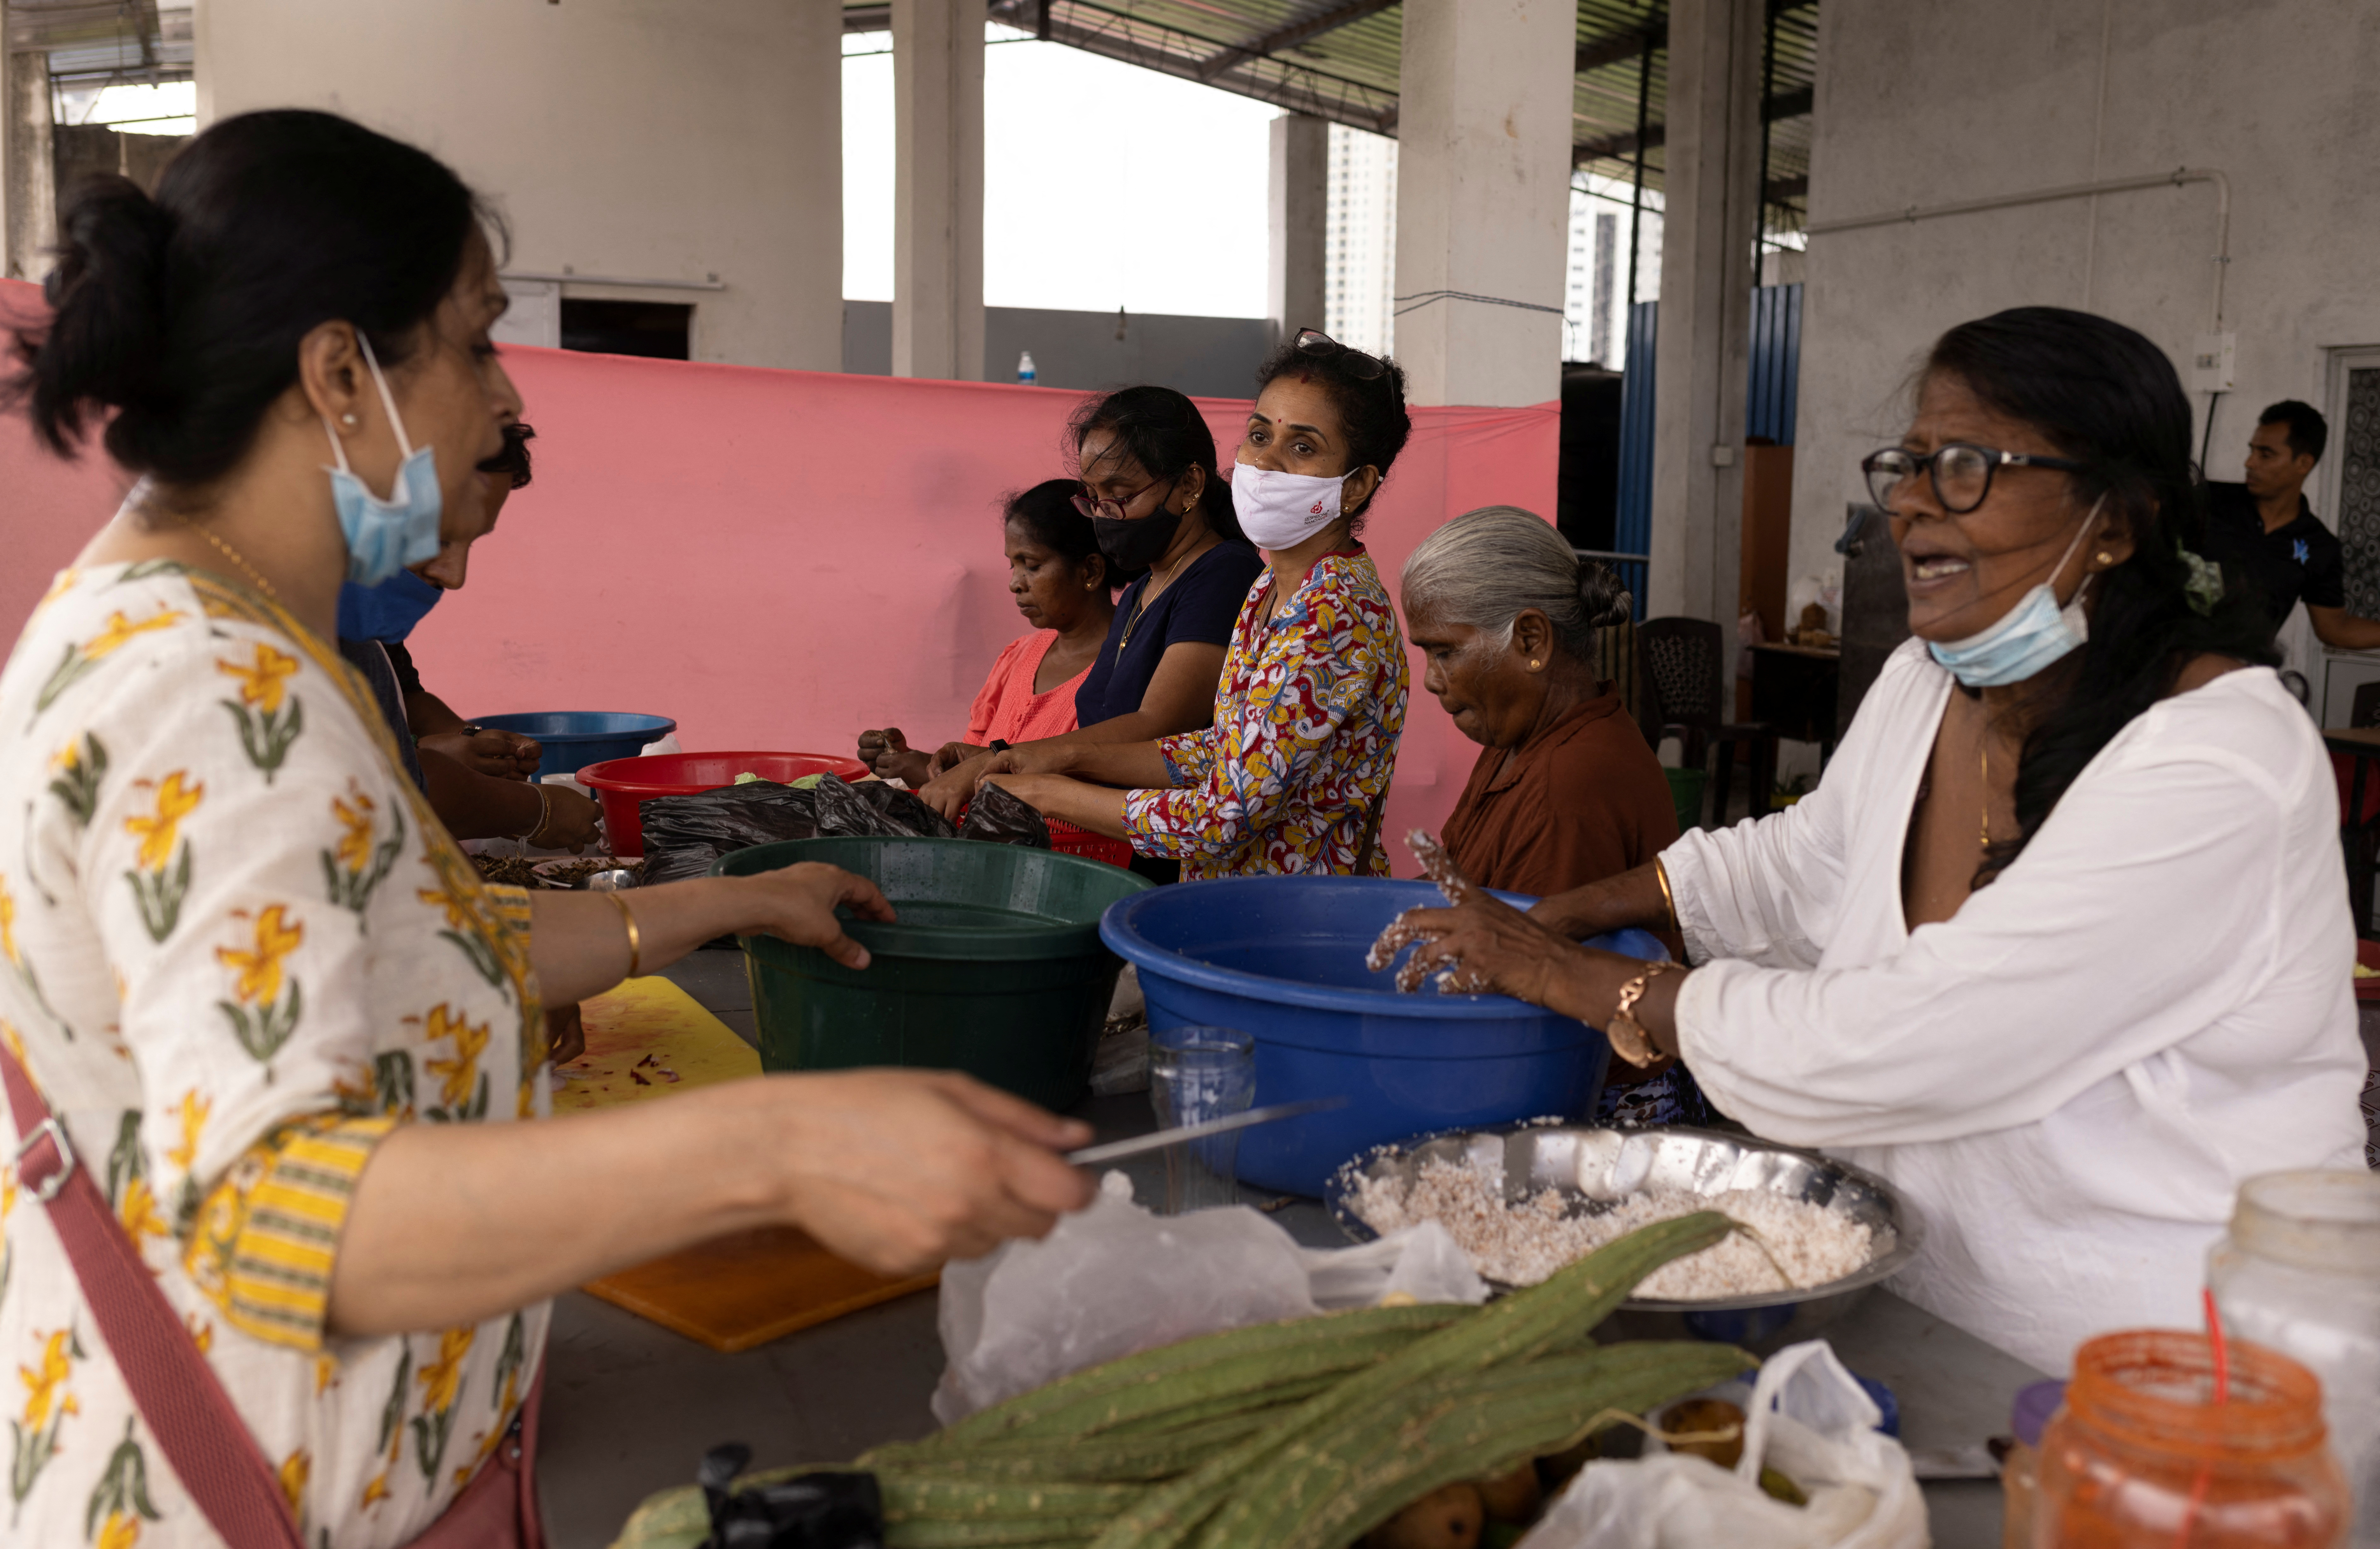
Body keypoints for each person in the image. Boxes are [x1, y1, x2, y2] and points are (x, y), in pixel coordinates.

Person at [0, 110, 1092, 1546]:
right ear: (339, 375)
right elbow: (283, 1213)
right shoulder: (208, 686)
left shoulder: (225, 637)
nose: (503, 398)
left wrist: (709, 908)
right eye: (477, 338)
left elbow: (387, 947)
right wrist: (776, 1145)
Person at [1374, 308, 2368, 1371]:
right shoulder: (1930, 682)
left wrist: (1588, 983)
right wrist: (1579, 908)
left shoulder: (2219, 762)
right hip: (1918, 1307)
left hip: (2164, 1374)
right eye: (1907, 464)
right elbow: (1806, 861)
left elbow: (1922, 1034)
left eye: (1967, 467)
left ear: (2117, 521)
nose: (1905, 504)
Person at [980, 330, 1411, 878]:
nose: (1267, 462)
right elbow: (1226, 750)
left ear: (1355, 488)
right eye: (1259, 436)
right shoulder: (1274, 589)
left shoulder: (1333, 612)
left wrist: (1047, 792)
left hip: (1297, 928)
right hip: (1237, 914)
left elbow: (1222, 817)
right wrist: (1057, 755)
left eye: (1302, 447)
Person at [1398, 506, 1698, 1125]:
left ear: (1531, 640)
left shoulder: (1569, 784)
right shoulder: (1520, 744)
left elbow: (1527, 1000)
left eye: (1445, 652)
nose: (1432, 681)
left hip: (1581, 1105)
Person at [918, 387, 1265, 881]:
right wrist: (987, 759)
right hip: (1121, 846)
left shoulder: (1223, 575)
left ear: (1189, 484)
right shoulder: (1145, 585)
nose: (1103, 516)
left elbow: (1155, 727)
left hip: (1169, 854)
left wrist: (1006, 762)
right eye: (1093, 499)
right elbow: (1097, 736)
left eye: (1119, 497)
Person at [340, 418, 605, 850]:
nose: (456, 576)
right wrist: (533, 810)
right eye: (439, 538)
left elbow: (402, 694)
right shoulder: (283, 621)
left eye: (470, 543)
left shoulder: (362, 622)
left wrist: (473, 743)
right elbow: (397, 787)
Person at [857, 480, 1114, 788]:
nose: (1015, 584)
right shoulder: (1019, 656)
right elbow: (974, 760)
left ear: (1090, 572)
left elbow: (1075, 801)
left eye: (1031, 566)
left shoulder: (1124, 671)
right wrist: (915, 763)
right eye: (1013, 566)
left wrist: (931, 778)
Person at [2202, 400, 2380, 648]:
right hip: (2161, 668)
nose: (2249, 463)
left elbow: (2335, 628)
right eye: (2251, 450)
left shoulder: (2319, 546)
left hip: (2238, 675)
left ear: (2303, 464)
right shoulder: (2205, 501)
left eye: (2265, 454)